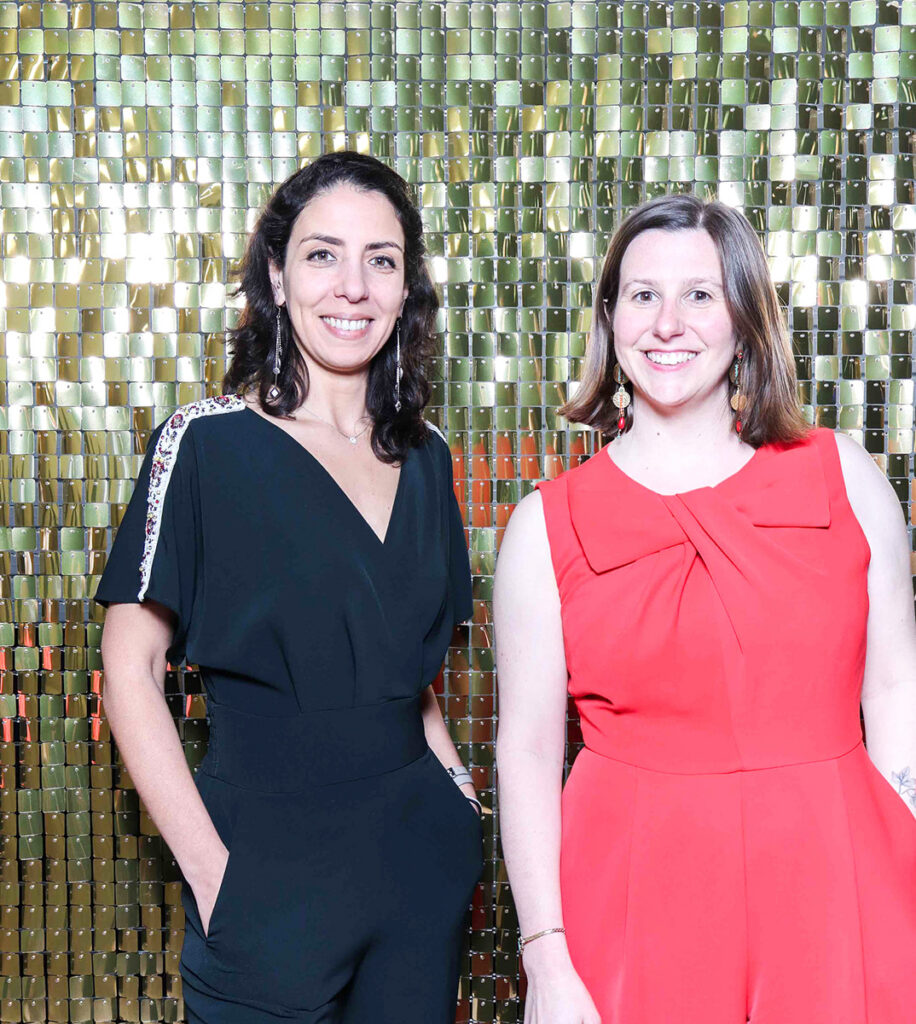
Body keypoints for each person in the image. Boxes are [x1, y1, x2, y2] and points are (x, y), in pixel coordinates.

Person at [494, 193, 916, 1024]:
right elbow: (529, 752)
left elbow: (899, 699)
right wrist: (546, 956)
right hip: (635, 899)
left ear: (745, 319)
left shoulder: (845, 478)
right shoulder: (546, 526)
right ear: (610, 319)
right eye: (643, 295)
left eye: (700, 294)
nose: (668, 323)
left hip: (838, 887)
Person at [96, 151, 483, 1024]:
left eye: (380, 260)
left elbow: (409, 670)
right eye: (322, 255)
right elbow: (128, 671)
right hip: (264, 875)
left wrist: (460, 800)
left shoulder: (430, 458)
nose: (352, 286)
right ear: (276, 274)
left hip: (420, 866)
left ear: (405, 287)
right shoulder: (205, 445)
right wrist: (213, 874)